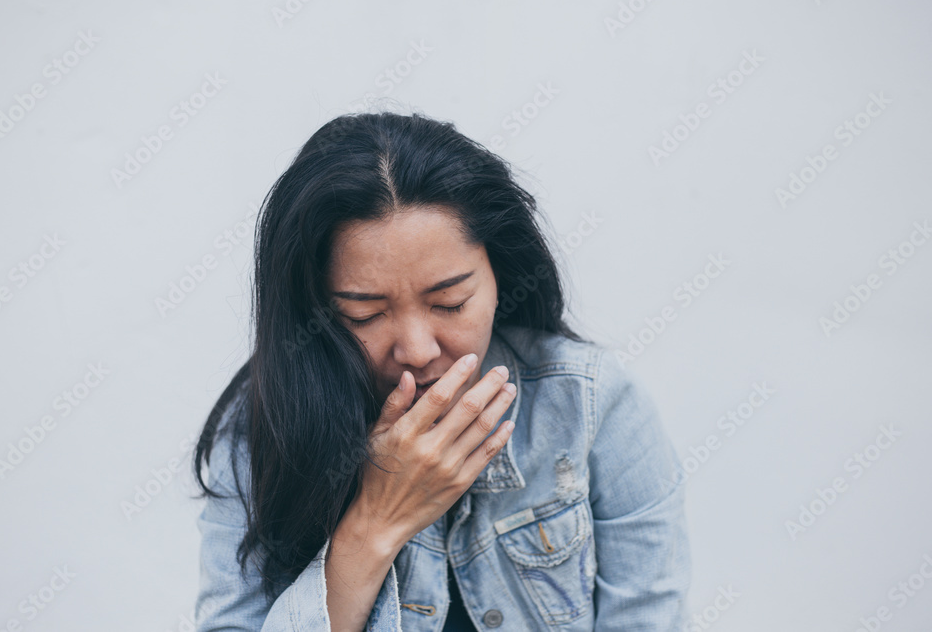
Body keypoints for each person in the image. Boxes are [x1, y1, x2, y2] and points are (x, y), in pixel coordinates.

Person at [192, 111, 692, 631]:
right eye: (365, 314)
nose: (417, 350)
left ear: (499, 276)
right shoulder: (263, 427)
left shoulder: (591, 402)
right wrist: (374, 522)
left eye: (450, 303)